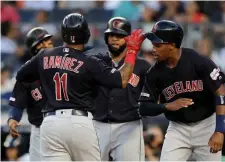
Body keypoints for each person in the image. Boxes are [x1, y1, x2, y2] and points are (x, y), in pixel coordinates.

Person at [15, 13, 145, 161]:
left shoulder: (44, 55)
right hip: (80, 122)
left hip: (50, 123)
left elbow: (21, 75)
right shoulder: (89, 60)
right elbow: (121, 80)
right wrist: (132, 52)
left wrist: (48, 76)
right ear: (86, 34)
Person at [139, 20, 225, 161]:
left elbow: (221, 92)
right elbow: (143, 108)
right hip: (178, 129)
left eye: (158, 45)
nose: (153, 48)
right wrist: (166, 106)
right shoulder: (154, 73)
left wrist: (220, 130)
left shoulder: (198, 61)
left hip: (206, 124)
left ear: (172, 45)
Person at [93, 17, 150, 161]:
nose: (114, 39)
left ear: (129, 39)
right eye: (111, 35)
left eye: (120, 36)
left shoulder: (142, 66)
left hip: (129, 126)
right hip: (98, 125)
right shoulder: (96, 62)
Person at [8, 27, 53, 161]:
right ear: (33, 49)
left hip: (65, 126)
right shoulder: (26, 73)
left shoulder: (66, 66)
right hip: (40, 129)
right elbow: (17, 103)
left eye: (48, 42)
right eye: (41, 44)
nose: (46, 46)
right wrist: (12, 119)